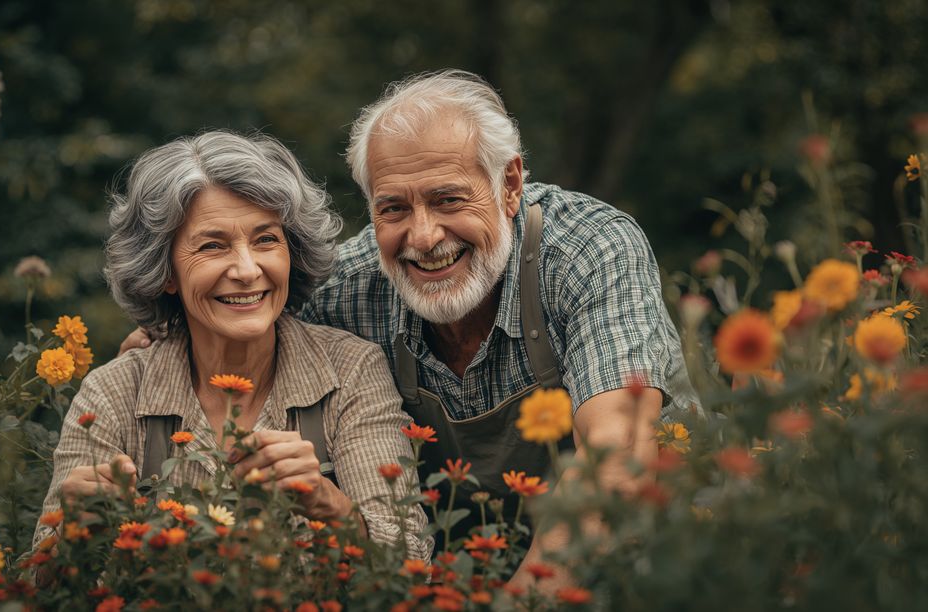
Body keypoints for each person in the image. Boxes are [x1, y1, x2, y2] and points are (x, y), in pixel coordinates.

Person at [121, 71, 698, 587]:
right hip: (453, 582)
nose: (422, 237)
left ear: (511, 184)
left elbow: (616, 464)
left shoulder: (588, 252)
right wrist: (163, 343)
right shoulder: (345, 288)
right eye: (393, 208)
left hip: (662, 562)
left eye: (448, 199)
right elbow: (236, 321)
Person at [35, 131, 431, 561]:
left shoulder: (351, 371)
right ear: (164, 271)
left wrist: (329, 505)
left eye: (265, 240)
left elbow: (410, 566)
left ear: (291, 252)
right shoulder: (112, 394)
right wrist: (69, 539)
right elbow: (28, 587)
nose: (247, 269)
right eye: (212, 246)